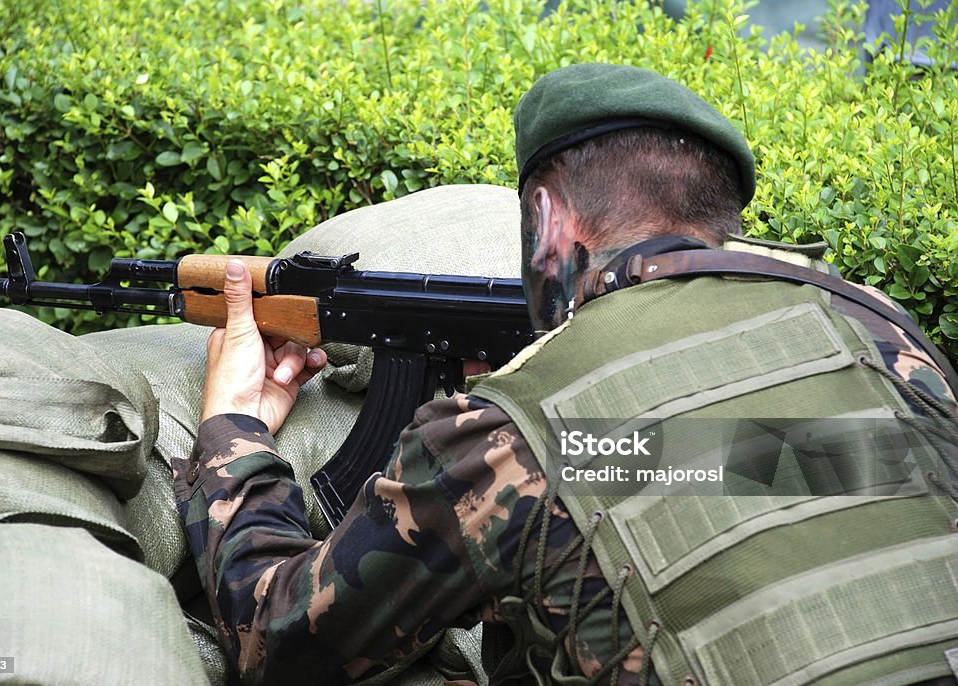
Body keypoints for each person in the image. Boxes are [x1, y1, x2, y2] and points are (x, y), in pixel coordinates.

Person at [174, 63, 958, 686]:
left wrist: (233, 431)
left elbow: (280, 642)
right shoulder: (876, 327)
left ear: (547, 220)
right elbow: (738, 460)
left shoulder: (516, 438)